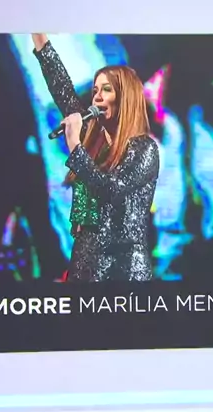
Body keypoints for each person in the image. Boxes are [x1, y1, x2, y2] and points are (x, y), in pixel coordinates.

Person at [31, 34, 159, 282]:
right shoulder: (101, 140)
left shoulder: (144, 149)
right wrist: (40, 41)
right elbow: (62, 89)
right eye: (96, 91)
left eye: (106, 91)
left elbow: (109, 190)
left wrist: (75, 147)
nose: (97, 98)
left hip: (120, 275)